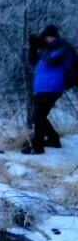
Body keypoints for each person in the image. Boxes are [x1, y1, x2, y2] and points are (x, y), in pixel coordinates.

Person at [24, 24, 75, 154]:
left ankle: (37, 147)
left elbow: (52, 60)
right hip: (41, 88)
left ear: (54, 36)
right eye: (45, 38)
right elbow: (32, 61)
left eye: (48, 37)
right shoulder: (46, 49)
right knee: (38, 116)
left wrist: (43, 48)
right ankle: (53, 139)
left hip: (53, 87)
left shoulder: (64, 47)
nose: (46, 40)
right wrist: (33, 47)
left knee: (38, 116)